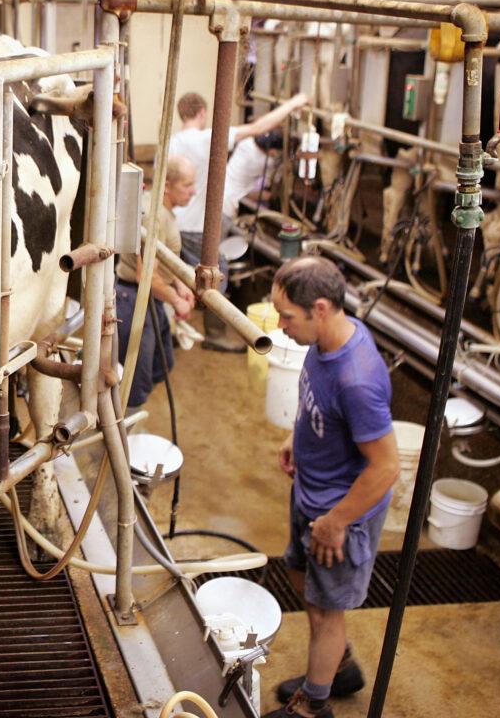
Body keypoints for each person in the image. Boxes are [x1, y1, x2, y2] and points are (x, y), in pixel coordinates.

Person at [264, 257, 401, 718]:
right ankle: (337, 666)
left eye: (287, 316)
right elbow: (319, 402)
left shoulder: (357, 378)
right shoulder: (325, 340)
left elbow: (386, 467)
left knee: (325, 612)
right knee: (301, 579)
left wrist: (336, 523)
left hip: (339, 513)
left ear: (320, 308)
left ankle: (313, 707)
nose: (280, 326)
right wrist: (299, 437)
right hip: (311, 492)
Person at [169, 91, 309, 352]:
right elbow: (256, 128)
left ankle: (174, 331)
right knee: (217, 271)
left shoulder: (172, 141)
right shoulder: (203, 139)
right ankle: (215, 334)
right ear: (202, 113)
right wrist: (293, 103)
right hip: (199, 226)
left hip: (173, 222)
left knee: (174, 273)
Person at [115, 155, 196, 411]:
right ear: (167, 186)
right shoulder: (154, 217)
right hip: (134, 300)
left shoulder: (163, 211)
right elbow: (144, 275)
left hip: (149, 299)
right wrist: (176, 300)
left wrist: (180, 283)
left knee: (163, 365)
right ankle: (123, 441)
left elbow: (164, 257)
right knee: (133, 386)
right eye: (187, 185)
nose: (193, 192)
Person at [223, 129, 282, 219]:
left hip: (223, 186)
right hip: (231, 200)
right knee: (266, 196)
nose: (276, 154)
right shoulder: (265, 162)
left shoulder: (246, 142)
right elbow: (272, 179)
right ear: (272, 150)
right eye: (276, 151)